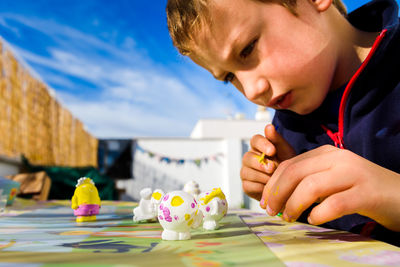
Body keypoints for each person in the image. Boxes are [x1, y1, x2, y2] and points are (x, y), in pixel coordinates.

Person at [166, 0, 400, 245]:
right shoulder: (286, 129)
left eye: (247, 49)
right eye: (230, 77)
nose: (251, 91)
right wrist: (289, 194)